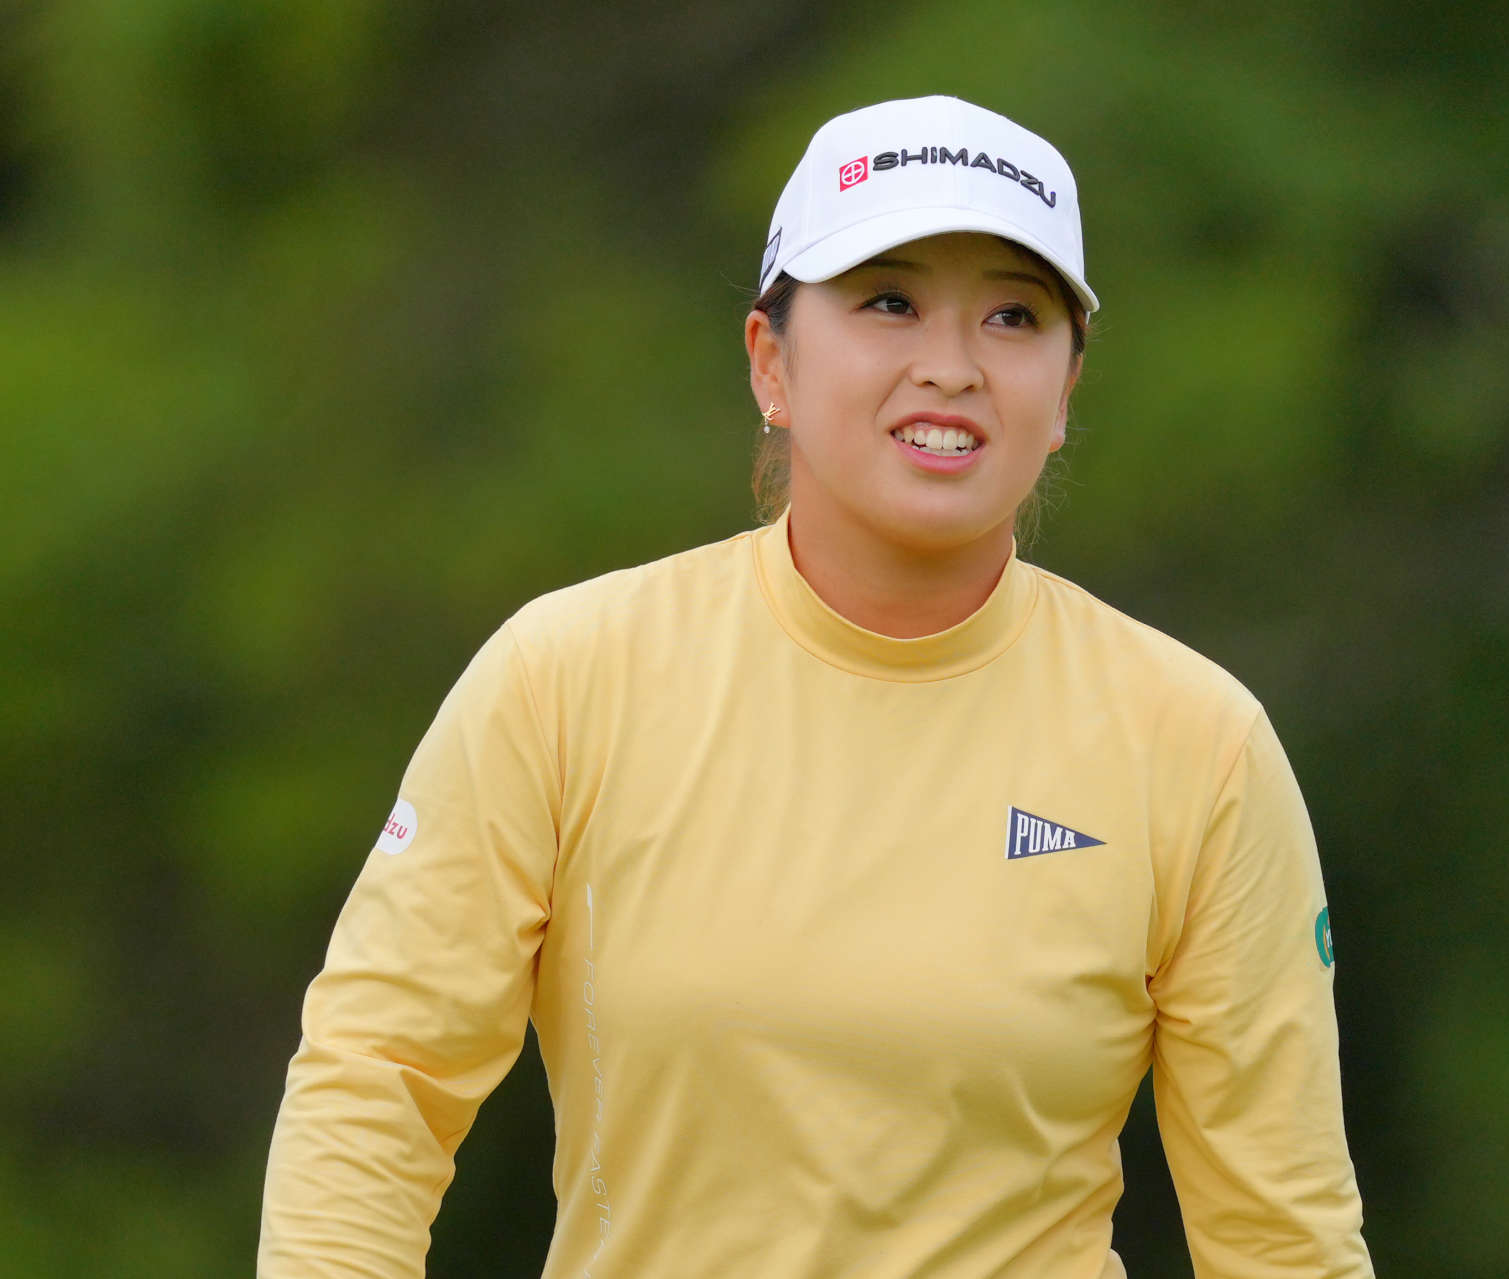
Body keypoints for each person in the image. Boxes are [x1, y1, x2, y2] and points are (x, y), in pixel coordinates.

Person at [259, 94, 1374, 1278]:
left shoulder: (1194, 742)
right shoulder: (568, 679)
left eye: (1013, 315)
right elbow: (378, 1082)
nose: (950, 367)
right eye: (888, 301)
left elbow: (1281, 1233)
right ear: (770, 362)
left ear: (1064, 395)